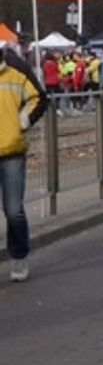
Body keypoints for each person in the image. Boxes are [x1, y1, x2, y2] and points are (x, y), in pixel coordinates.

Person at [0, 46, 45, 282]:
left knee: (13, 210)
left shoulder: (17, 68)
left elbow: (39, 98)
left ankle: (19, 256)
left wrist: (22, 123)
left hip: (12, 151)